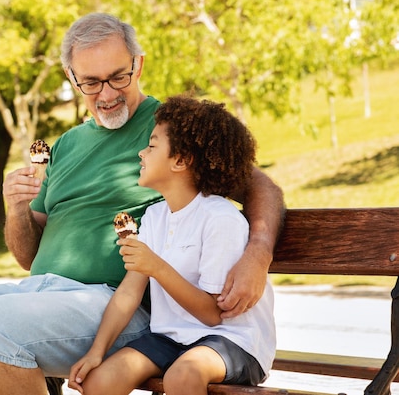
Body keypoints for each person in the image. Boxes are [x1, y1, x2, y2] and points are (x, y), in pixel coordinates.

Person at [0, 12, 284, 395]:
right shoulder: (67, 145)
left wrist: (259, 253)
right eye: (91, 82)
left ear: (138, 65)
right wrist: (17, 208)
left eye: (117, 77)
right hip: (39, 293)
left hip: (116, 304)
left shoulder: (172, 128)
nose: (107, 95)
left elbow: (259, 184)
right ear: (71, 77)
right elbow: (27, 255)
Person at [68, 95, 275, 395]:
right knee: (99, 382)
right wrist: (97, 352)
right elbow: (128, 292)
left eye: (152, 146)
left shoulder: (220, 218)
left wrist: (157, 267)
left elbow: (213, 314)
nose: (142, 153)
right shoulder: (155, 216)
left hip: (232, 341)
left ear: (180, 160)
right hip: (172, 338)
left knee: (183, 375)